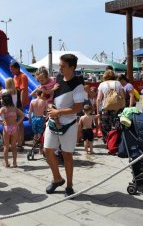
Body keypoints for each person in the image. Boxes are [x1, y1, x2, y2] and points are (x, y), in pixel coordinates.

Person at [44, 54, 84, 197]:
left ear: (72, 67)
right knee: (47, 150)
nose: (59, 68)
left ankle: (69, 185)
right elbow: (53, 96)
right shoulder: (59, 79)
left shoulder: (78, 85)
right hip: (53, 121)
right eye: (59, 65)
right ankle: (57, 179)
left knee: (67, 155)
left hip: (69, 123)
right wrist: (51, 106)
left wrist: (58, 112)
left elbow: (78, 108)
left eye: (63, 66)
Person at [0, 93, 25, 168]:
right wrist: (17, 123)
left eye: (1, 99)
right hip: (14, 127)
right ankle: (14, 162)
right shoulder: (14, 108)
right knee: (14, 146)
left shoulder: (3, 109)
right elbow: (23, 115)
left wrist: (1, 123)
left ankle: (6, 163)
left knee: (6, 146)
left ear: (4, 100)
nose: (1, 100)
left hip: (6, 128)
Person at [96, 70, 125, 143]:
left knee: (106, 126)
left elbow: (99, 99)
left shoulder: (102, 84)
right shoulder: (118, 83)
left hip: (105, 108)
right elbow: (123, 96)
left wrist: (98, 111)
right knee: (117, 125)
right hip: (117, 108)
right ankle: (116, 142)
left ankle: (108, 142)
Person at [10, 61, 29, 149]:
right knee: (17, 121)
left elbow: (23, 91)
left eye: (12, 69)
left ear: (17, 68)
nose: (11, 71)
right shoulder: (15, 76)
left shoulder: (23, 76)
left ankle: (21, 140)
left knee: (20, 121)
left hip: (19, 102)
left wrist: (20, 103)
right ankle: (20, 139)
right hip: (15, 101)